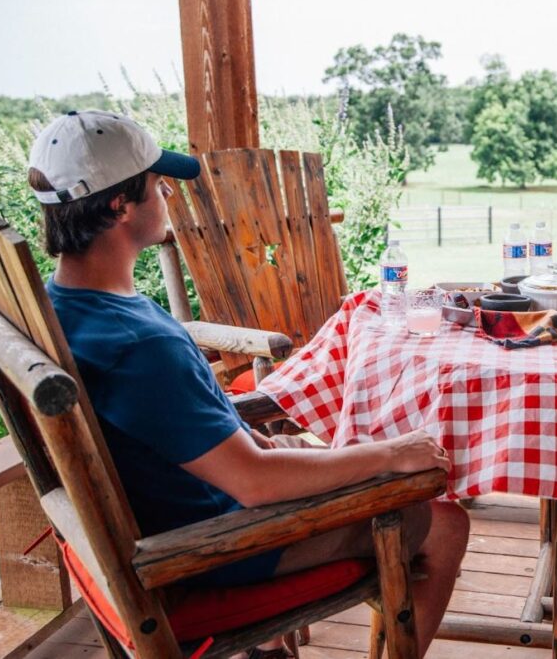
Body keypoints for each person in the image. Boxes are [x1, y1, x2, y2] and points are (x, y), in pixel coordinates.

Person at [28, 110, 469, 659]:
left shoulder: (62, 307)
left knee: (320, 453)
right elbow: (254, 483)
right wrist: (392, 454)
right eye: (155, 183)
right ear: (119, 205)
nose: (167, 191)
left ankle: (266, 653)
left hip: (164, 518)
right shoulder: (137, 344)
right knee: (443, 520)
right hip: (205, 549)